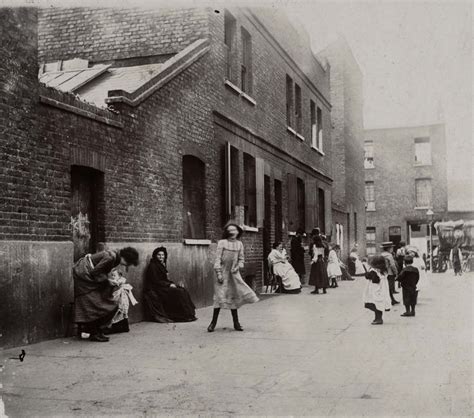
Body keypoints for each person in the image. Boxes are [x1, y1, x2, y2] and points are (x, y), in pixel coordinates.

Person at [73, 247, 139, 342]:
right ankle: (94, 332)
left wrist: (108, 281)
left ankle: (97, 331)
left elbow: (99, 272)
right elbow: (95, 272)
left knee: (98, 303)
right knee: (95, 304)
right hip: (84, 279)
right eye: (128, 263)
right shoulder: (111, 257)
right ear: (126, 258)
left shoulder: (114, 256)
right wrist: (108, 281)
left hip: (87, 278)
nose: (126, 265)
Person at [208, 222, 259, 332]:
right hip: (221, 272)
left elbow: (241, 259)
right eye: (230, 231)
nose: (232, 233)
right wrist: (219, 273)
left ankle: (236, 323)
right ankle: (213, 323)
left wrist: (238, 267)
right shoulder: (222, 243)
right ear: (227, 232)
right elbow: (217, 259)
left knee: (233, 296)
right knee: (219, 296)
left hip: (234, 273)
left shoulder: (240, 244)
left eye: (234, 230)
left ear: (238, 232)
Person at [144, 246, 197, 323]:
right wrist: (168, 285)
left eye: (162, 255)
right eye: (159, 255)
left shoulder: (161, 264)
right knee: (178, 292)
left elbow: (164, 279)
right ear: (155, 255)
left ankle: (189, 315)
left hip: (162, 285)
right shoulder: (152, 266)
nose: (161, 257)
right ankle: (181, 316)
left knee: (182, 290)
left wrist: (171, 283)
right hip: (156, 287)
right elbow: (155, 280)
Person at [104, 268, 138, 334]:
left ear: (119, 276)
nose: (113, 277)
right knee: (121, 312)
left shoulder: (119, 281)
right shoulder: (117, 281)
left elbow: (116, 283)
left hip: (121, 300)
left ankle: (118, 327)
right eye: (112, 275)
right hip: (120, 299)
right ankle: (124, 327)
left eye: (114, 275)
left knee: (120, 311)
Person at [363, 255, 391, 325]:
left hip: (375, 289)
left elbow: (372, 278)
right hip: (382, 289)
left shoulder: (373, 271)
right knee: (379, 304)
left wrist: (367, 272)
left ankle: (378, 319)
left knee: (374, 303)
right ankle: (378, 318)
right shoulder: (383, 270)